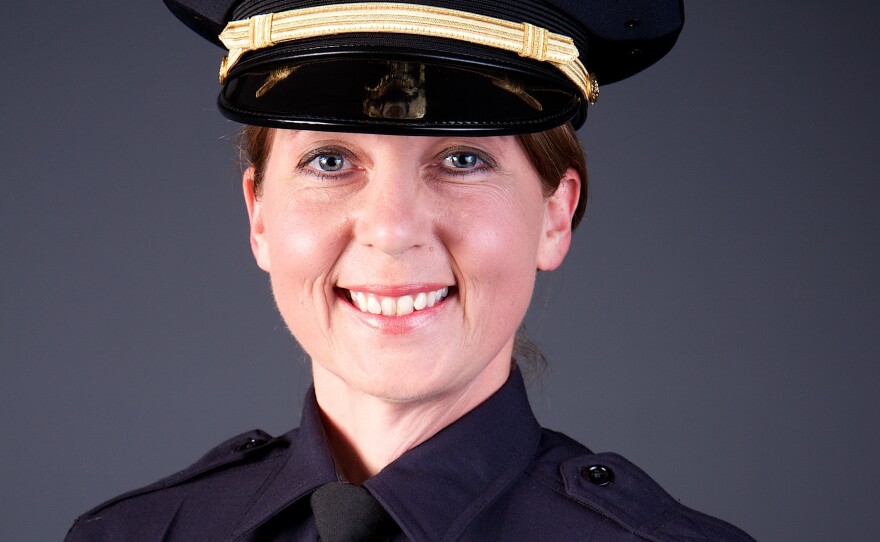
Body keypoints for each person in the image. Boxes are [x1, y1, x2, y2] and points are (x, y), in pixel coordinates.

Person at [66, 0, 754, 540]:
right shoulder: (135, 535)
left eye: (462, 159)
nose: (393, 230)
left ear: (554, 216)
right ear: (261, 217)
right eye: (330, 161)